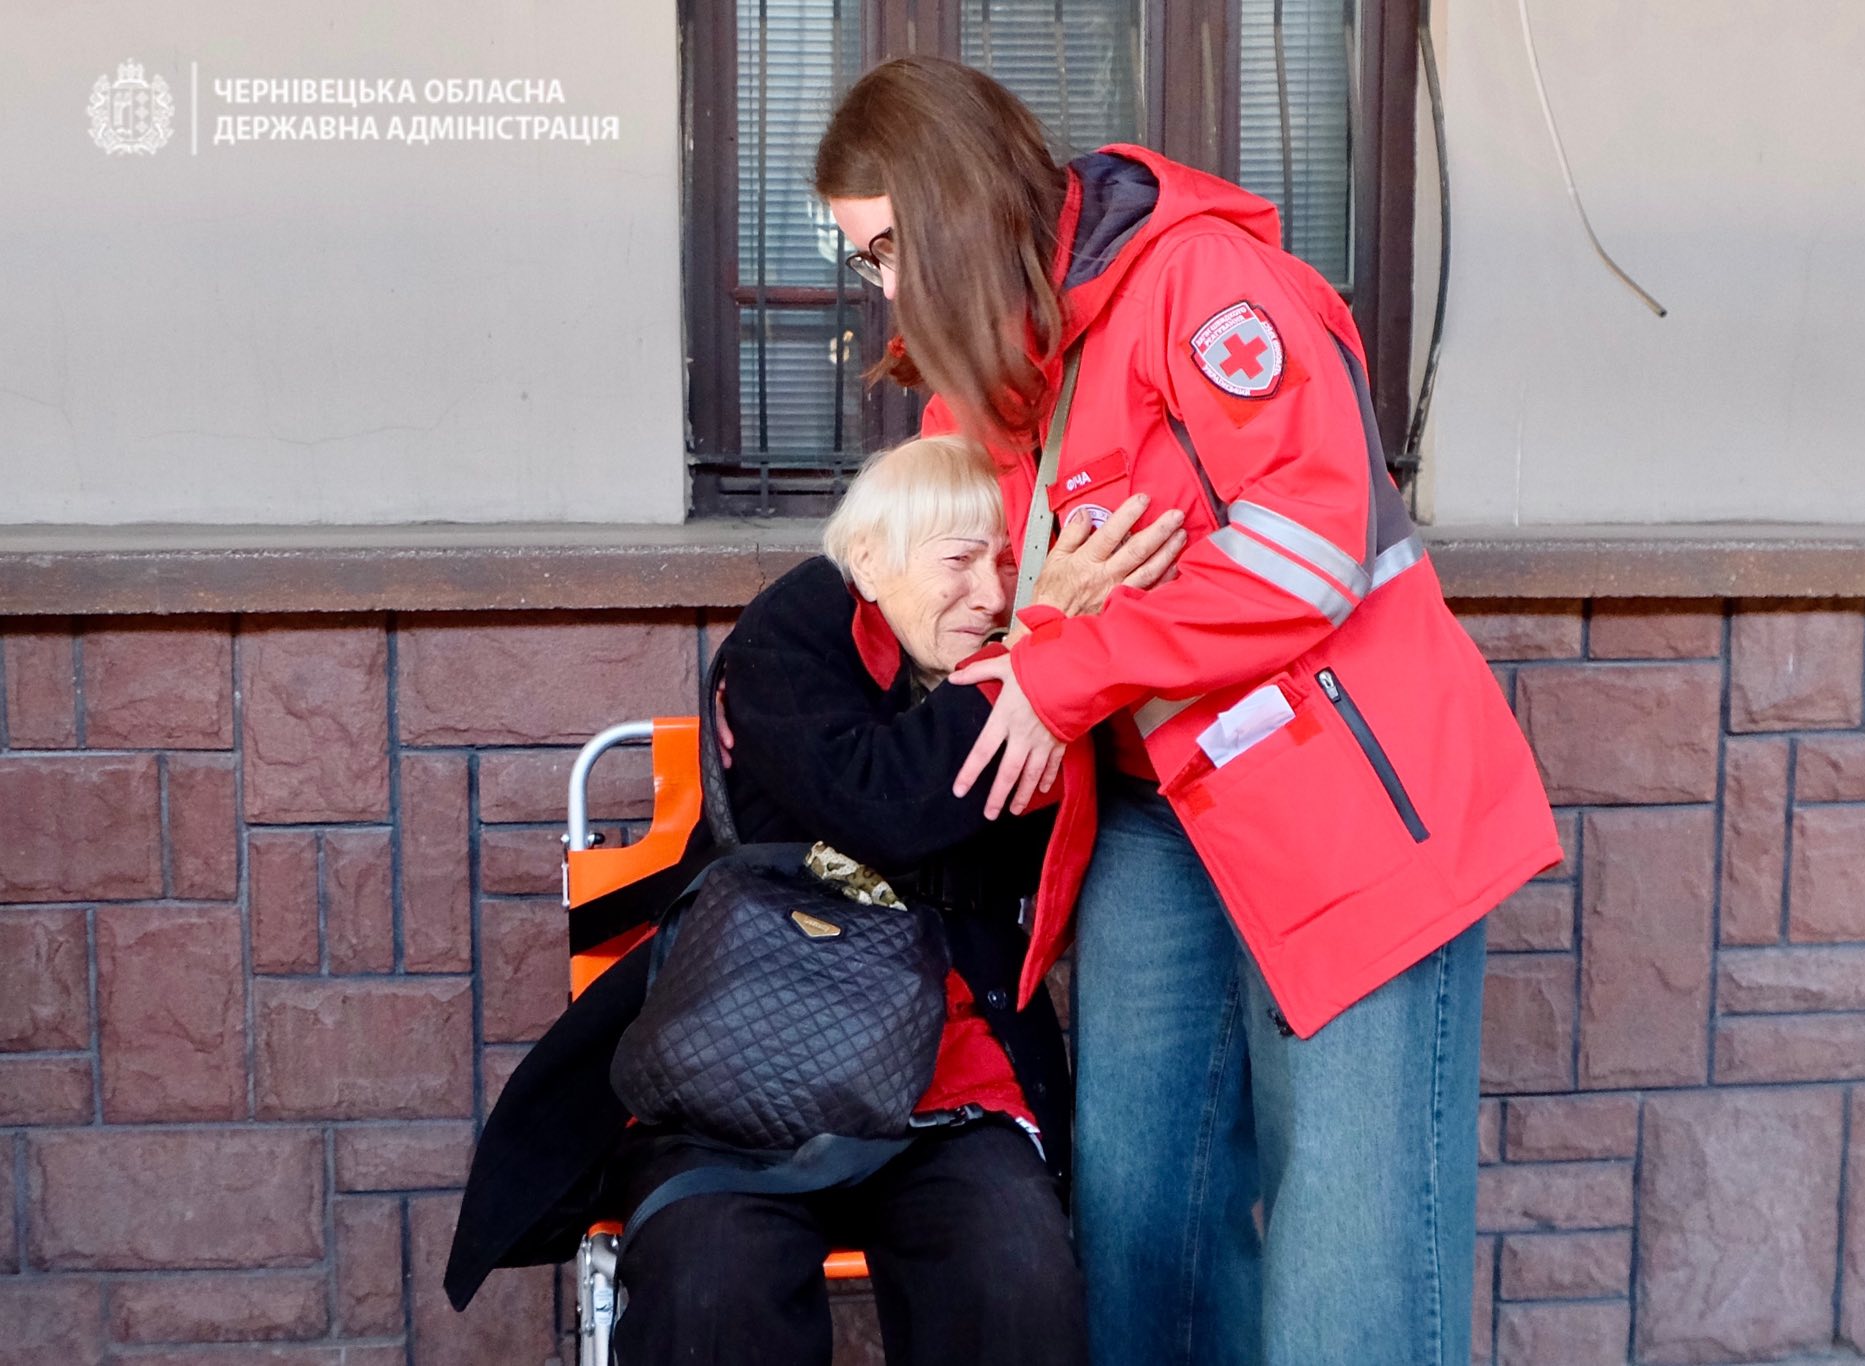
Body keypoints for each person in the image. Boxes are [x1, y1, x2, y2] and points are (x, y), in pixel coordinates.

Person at [814, 58, 1563, 1366]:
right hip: (1154, 818)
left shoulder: (1200, 284)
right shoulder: (986, 383)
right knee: (1138, 1241)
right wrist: (1047, 625)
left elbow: (1305, 554)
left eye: (884, 248)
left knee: (1348, 1274)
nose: (881, 287)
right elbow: (979, 624)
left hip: (1349, 807)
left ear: (946, 210)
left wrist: (1066, 654)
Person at [443, 434, 1183, 1366]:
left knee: (1016, 1276)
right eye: (960, 561)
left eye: (1007, 568)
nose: (992, 597)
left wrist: (1043, 669)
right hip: (742, 1061)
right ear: (869, 562)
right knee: (712, 1288)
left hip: (948, 1078)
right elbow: (879, 804)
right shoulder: (796, 632)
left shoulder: (1027, 676)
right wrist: (1036, 654)